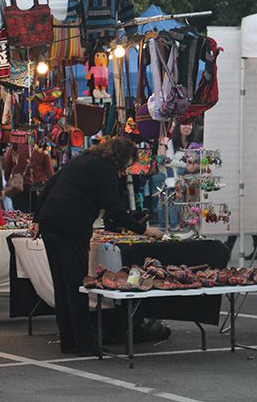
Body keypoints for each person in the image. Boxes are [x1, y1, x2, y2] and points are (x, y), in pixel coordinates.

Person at [33, 137, 163, 355]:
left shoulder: (82, 159)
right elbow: (114, 209)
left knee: (62, 285)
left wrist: (37, 218)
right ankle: (84, 344)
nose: (126, 170)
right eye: (127, 163)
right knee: (77, 286)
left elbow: (49, 186)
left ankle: (69, 341)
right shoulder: (105, 170)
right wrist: (144, 230)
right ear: (120, 158)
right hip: (71, 225)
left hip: (50, 222)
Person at [3, 141, 54, 213]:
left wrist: (9, 180)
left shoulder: (15, 148)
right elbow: (50, 172)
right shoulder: (42, 149)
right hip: (38, 187)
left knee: (20, 216)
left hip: (19, 187)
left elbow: (7, 167)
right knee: (36, 214)